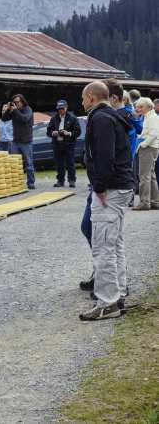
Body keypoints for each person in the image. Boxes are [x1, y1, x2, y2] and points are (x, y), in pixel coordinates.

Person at [79, 81, 134, 321]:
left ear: (91, 97)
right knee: (114, 243)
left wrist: (99, 186)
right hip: (119, 186)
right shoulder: (112, 117)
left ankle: (108, 302)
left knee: (102, 246)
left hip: (110, 189)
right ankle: (118, 292)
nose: (82, 103)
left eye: (83, 99)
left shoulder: (100, 119)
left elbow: (103, 155)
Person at [1, 94, 35, 189]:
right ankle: (16, 183)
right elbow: (4, 119)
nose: (16, 104)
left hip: (26, 141)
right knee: (14, 162)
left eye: (18, 102)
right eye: (14, 102)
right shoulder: (14, 111)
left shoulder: (28, 109)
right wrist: (8, 109)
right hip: (15, 141)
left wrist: (15, 110)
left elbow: (24, 119)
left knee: (29, 163)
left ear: (23, 101)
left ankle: (31, 182)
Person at [132, 97, 159, 211]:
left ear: (149, 107)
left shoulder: (151, 117)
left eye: (141, 107)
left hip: (148, 148)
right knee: (151, 176)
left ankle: (144, 202)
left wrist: (143, 144)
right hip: (151, 148)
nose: (138, 109)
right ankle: (154, 201)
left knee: (144, 176)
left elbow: (154, 134)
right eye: (138, 107)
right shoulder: (150, 116)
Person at [47, 100, 81, 188]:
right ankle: (60, 180)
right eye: (59, 109)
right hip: (57, 143)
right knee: (59, 163)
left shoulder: (73, 118)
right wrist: (53, 133)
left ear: (66, 108)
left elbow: (78, 131)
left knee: (70, 162)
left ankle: (72, 180)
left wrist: (68, 133)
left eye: (62, 109)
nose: (60, 111)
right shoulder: (54, 118)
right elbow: (48, 131)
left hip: (69, 143)